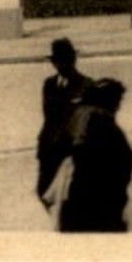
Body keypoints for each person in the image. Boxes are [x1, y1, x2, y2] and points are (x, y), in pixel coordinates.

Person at [58, 78, 132, 232]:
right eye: (117, 100)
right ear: (107, 99)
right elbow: (122, 160)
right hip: (102, 202)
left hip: (79, 197)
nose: (119, 106)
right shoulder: (102, 122)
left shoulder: (79, 118)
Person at [37, 37, 92, 201]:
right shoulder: (49, 84)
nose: (61, 65)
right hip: (49, 151)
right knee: (44, 193)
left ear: (73, 61)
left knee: (70, 199)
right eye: (57, 62)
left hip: (71, 153)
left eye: (66, 61)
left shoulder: (86, 85)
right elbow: (48, 117)